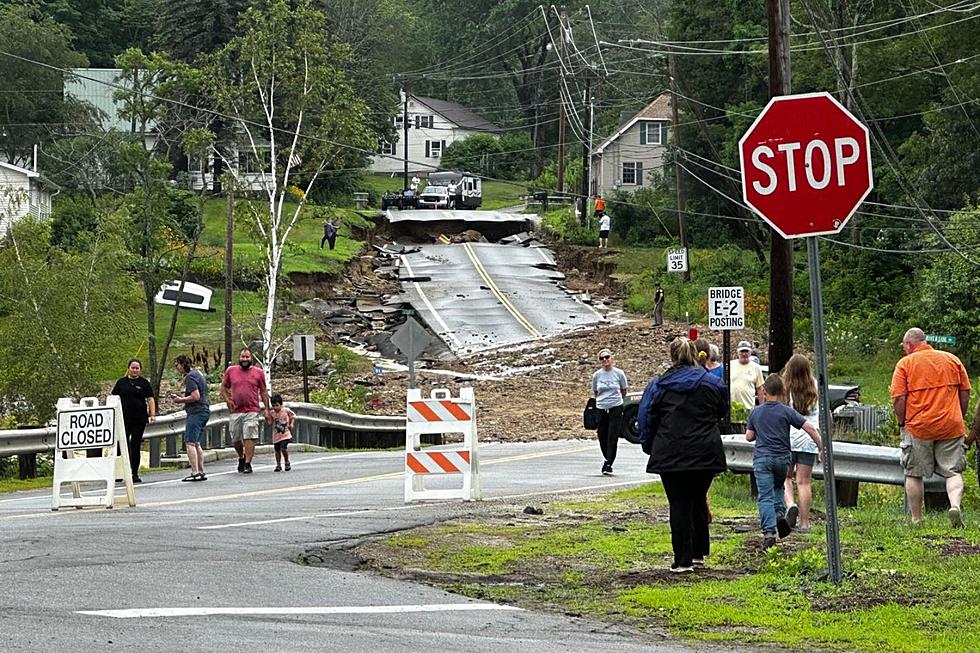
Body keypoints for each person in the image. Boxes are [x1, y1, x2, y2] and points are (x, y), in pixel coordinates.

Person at [639, 337, 727, 573]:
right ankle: (698, 552)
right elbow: (722, 412)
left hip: (671, 450)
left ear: (672, 356)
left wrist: (650, 446)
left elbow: (645, 418)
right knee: (698, 497)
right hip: (705, 451)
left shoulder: (659, 386)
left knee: (679, 504)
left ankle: (683, 560)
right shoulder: (712, 384)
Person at [890, 327, 971, 527]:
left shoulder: (905, 364)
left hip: (919, 427)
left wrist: (902, 421)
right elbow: (965, 392)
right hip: (950, 425)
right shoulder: (952, 360)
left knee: (914, 473)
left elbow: (899, 398)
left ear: (909, 344)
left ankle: (916, 519)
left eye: (904, 346)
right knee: (953, 472)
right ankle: (955, 506)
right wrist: (958, 415)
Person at [745, 374, 822, 549]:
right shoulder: (786, 411)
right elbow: (808, 427)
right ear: (782, 391)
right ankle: (779, 516)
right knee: (778, 487)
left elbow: (749, 437)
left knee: (765, 496)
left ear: (764, 391)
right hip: (782, 459)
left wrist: (758, 430)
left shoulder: (756, 412)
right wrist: (821, 446)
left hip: (763, 458)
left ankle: (769, 532)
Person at [781, 354, 820, 533]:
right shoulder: (814, 388)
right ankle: (805, 523)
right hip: (809, 439)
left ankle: (790, 504)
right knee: (804, 482)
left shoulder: (785, 389)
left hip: (788, 438)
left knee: (786, 477)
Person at [221, 348, 271, 474]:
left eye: (247, 357)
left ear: (251, 358)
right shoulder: (231, 371)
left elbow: (263, 391)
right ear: (239, 358)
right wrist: (228, 400)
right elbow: (223, 387)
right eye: (242, 357)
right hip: (236, 410)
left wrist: (266, 409)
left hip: (252, 409)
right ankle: (241, 457)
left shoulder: (258, 372)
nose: (244, 359)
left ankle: (248, 463)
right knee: (235, 438)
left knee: (249, 435)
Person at [110, 358, 156, 484]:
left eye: (137, 368)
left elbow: (150, 399)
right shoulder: (121, 382)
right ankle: (120, 472)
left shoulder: (144, 383)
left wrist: (152, 414)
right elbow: (113, 398)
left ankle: (134, 472)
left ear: (140, 370)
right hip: (123, 418)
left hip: (139, 419)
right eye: (133, 368)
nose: (135, 370)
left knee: (135, 444)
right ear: (128, 368)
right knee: (121, 445)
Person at [591, 348, 628, 476]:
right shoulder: (597, 375)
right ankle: (607, 457)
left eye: (607, 357)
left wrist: (617, 400)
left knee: (613, 436)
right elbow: (595, 392)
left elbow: (624, 390)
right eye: (602, 358)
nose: (605, 360)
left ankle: (609, 463)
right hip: (601, 407)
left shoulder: (619, 373)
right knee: (602, 435)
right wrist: (601, 401)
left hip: (616, 407)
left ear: (611, 358)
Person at [173, 354, 209, 482]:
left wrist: (180, 400)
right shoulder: (198, 373)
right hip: (204, 410)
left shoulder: (190, 377)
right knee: (197, 443)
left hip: (196, 411)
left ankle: (195, 472)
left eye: (177, 365)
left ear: (183, 364)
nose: (176, 368)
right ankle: (201, 470)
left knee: (190, 443)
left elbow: (195, 396)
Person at [730, 340, 764, 411]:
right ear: (738, 352)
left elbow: (760, 389)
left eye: (746, 351)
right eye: (742, 351)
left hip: (748, 408)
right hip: (731, 409)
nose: (744, 354)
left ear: (750, 352)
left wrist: (762, 408)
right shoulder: (730, 365)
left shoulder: (756, 367)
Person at [270, 394, 295, 472]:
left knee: (283, 448)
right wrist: (266, 417)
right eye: (273, 406)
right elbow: (270, 422)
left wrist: (291, 424)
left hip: (285, 434)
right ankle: (278, 464)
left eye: (277, 405)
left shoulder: (286, 410)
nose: (275, 408)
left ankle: (287, 462)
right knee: (277, 450)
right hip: (276, 435)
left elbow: (293, 416)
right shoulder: (272, 413)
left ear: (281, 404)